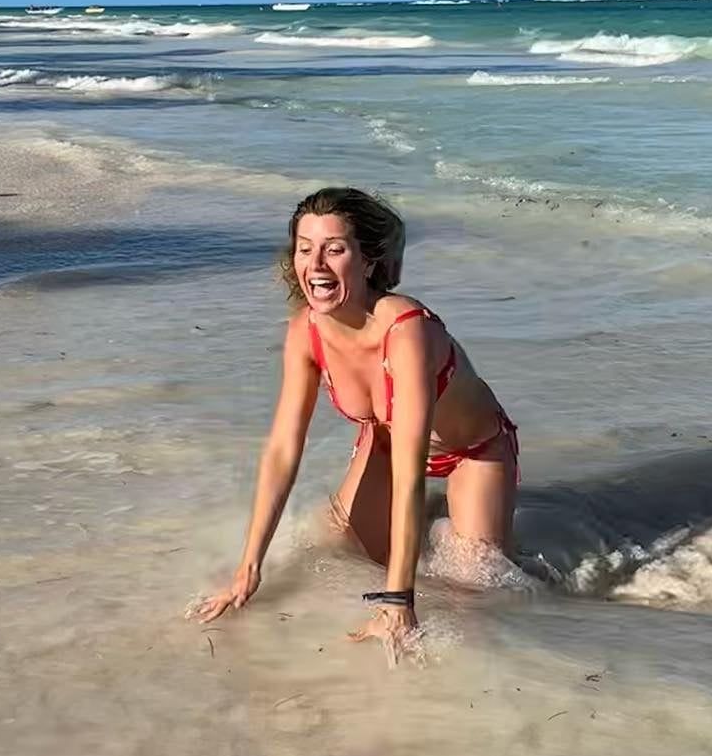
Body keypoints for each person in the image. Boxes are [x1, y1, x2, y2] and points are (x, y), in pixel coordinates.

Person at [188, 187, 519, 662]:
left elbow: (410, 474)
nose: (316, 264)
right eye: (305, 249)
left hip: (472, 452)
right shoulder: (305, 331)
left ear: (368, 262)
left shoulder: (407, 330)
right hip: (385, 442)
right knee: (337, 547)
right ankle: (421, 531)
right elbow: (283, 449)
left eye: (335, 249)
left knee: (474, 587)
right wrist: (248, 567)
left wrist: (398, 603)